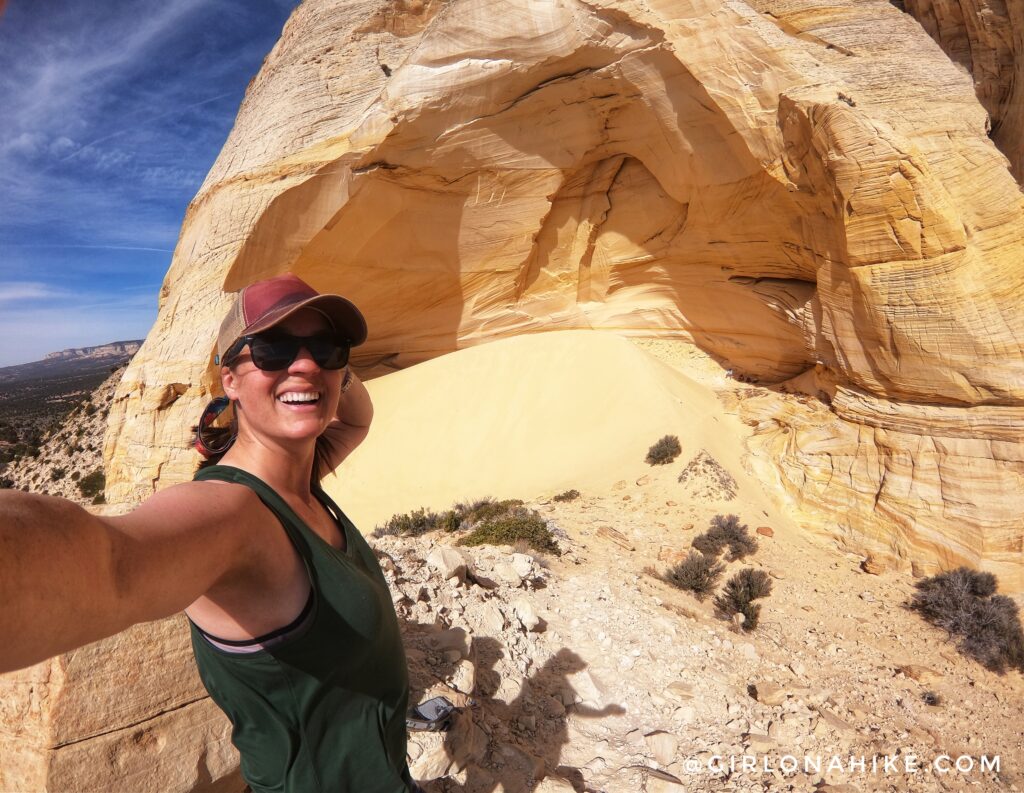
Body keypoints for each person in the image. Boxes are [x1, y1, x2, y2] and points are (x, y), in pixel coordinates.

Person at [0, 273, 420, 793]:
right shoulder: (232, 515)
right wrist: (317, 375)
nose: (306, 361)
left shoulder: (302, 474)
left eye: (328, 347)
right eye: (272, 349)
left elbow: (355, 421)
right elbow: (112, 568)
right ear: (229, 379)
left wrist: (324, 378)